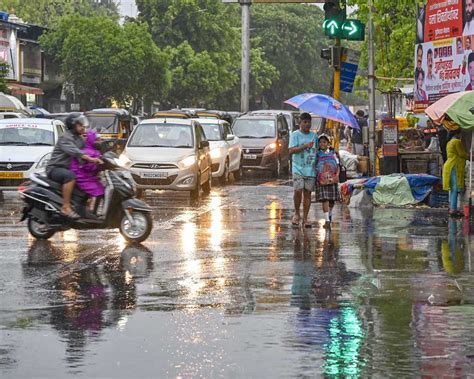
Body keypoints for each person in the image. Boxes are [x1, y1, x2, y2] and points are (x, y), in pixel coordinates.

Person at [46, 113, 103, 219]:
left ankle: (85, 209)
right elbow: (75, 152)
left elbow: (88, 147)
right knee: (70, 176)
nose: (83, 127)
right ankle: (66, 207)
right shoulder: (65, 137)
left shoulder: (80, 138)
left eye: (83, 125)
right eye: (80, 125)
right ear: (73, 125)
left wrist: (99, 145)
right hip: (55, 168)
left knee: (90, 180)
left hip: (67, 168)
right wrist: (90, 159)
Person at [289, 112, 318, 228]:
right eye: (304, 122)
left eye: (308, 122)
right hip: (298, 168)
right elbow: (291, 150)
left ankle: (305, 218)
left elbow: (317, 150)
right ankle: (297, 213)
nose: (307, 124)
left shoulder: (314, 136)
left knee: (307, 194)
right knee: (298, 190)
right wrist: (305, 146)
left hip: (310, 169)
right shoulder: (295, 135)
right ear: (300, 123)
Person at [70, 130, 105, 210]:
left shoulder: (95, 151)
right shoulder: (86, 152)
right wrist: (97, 165)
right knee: (99, 190)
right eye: (96, 140)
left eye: (99, 140)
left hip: (89, 177)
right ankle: (93, 211)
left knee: (102, 188)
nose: (99, 142)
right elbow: (87, 167)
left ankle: (91, 210)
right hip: (81, 177)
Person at [315, 134, 340, 229]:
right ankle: (327, 220)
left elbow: (338, 166)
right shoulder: (316, 154)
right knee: (324, 199)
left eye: (324, 142)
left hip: (332, 180)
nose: (322, 144)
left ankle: (329, 214)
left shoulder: (334, 153)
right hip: (321, 181)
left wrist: (336, 176)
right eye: (320, 142)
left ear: (328, 143)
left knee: (331, 200)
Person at [442, 128, 468, 217]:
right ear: (457, 134)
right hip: (454, 166)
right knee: (455, 189)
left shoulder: (449, 142)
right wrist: (470, 156)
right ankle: (453, 209)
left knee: (452, 188)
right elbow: (462, 154)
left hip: (449, 165)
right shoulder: (456, 142)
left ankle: (453, 208)